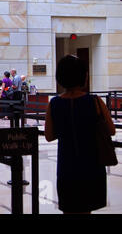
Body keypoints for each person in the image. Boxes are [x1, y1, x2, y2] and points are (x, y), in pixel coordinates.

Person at [45, 55, 115, 214]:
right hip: (91, 165)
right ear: (83, 76)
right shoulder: (95, 101)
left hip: (66, 166)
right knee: (86, 209)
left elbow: (49, 135)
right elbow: (111, 130)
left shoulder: (54, 103)